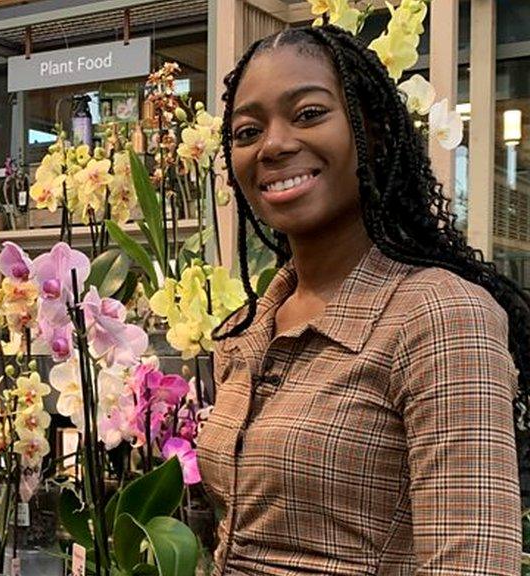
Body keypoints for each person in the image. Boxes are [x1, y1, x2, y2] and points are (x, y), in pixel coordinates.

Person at [197, 24, 528, 575]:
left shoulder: (439, 317)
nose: (273, 145)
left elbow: (473, 563)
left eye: (308, 114)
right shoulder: (250, 329)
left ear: (370, 131)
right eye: (247, 131)